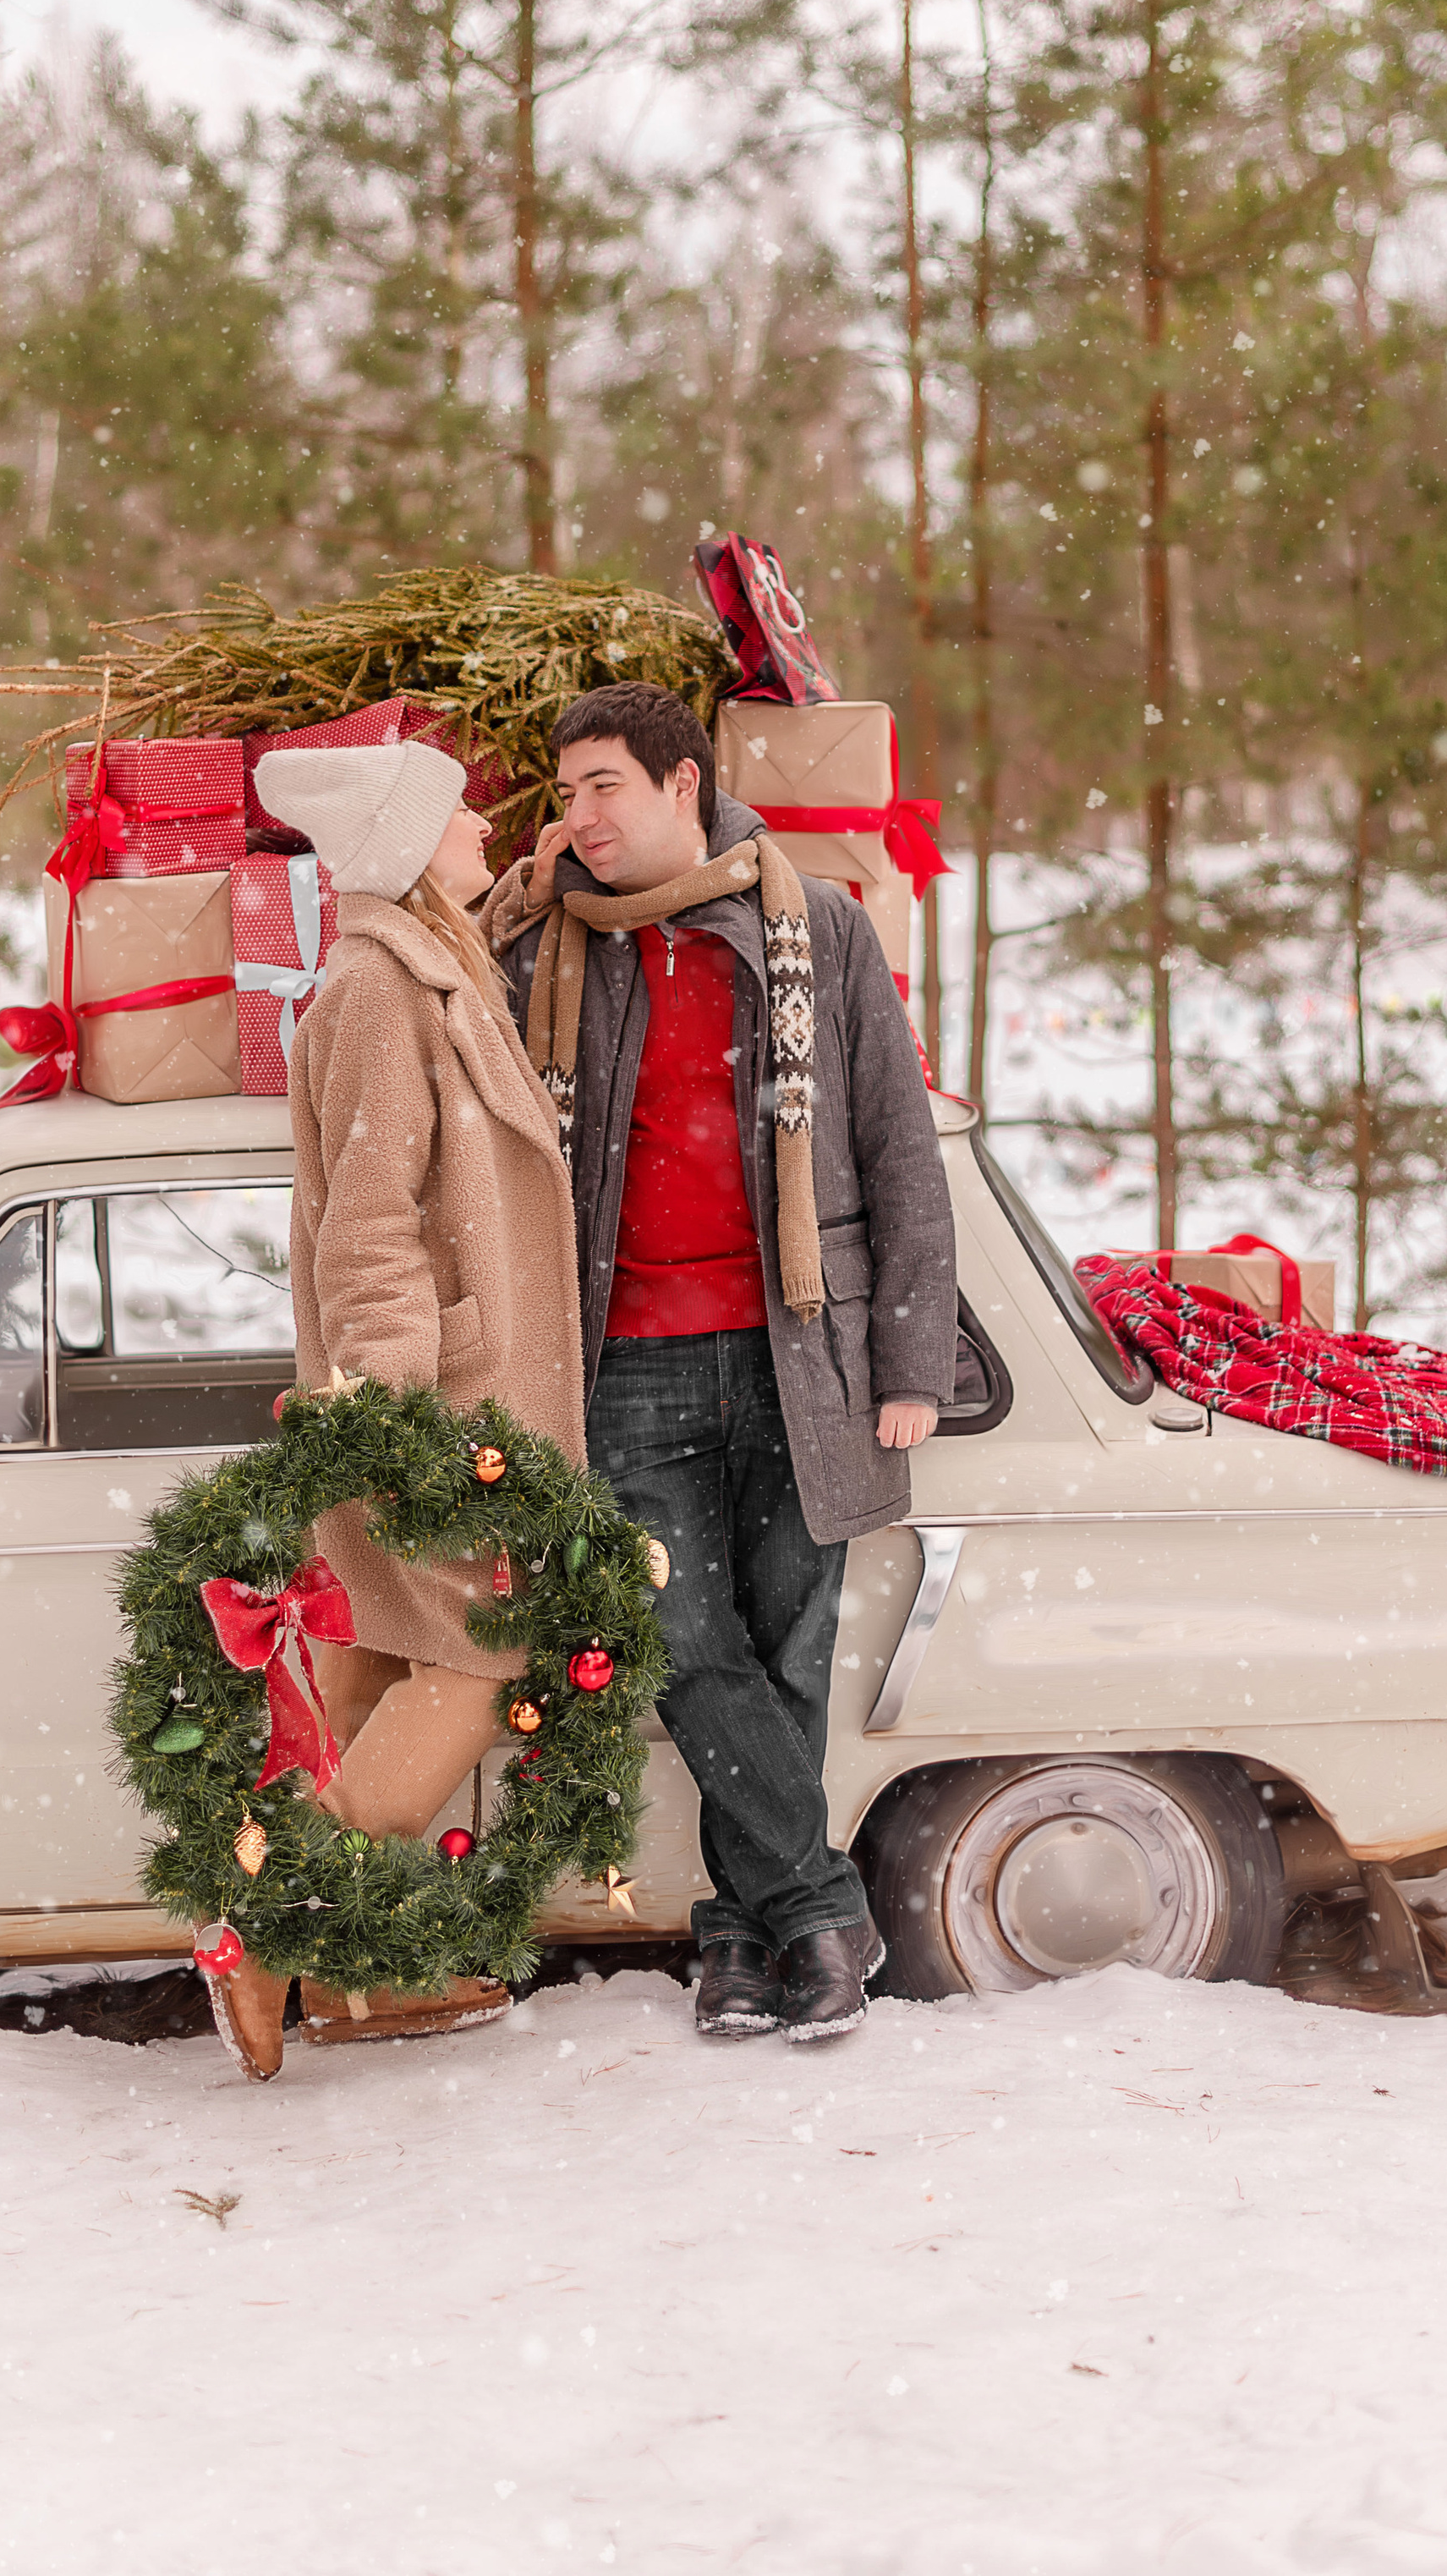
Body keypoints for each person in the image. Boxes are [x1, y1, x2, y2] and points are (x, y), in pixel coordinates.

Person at [485, 681, 956, 2042]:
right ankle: (820, 1905)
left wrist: (911, 1357)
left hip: (798, 1353)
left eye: (601, 787)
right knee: (685, 1643)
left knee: (790, 1647)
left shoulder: (821, 928)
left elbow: (896, 1147)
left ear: (682, 784)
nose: (578, 817)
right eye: (563, 793)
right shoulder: (548, 945)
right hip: (624, 1361)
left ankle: (746, 1939)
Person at [206, 739, 585, 2079]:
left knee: (367, 1669)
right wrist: (401, 1426)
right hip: (432, 1405)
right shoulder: (375, 989)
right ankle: (266, 1936)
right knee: (483, 1662)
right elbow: (367, 1231)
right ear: (404, 840)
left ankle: (353, 1981)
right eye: (457, 808)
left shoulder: (425, 959)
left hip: (447, 1391)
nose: (481, 821)